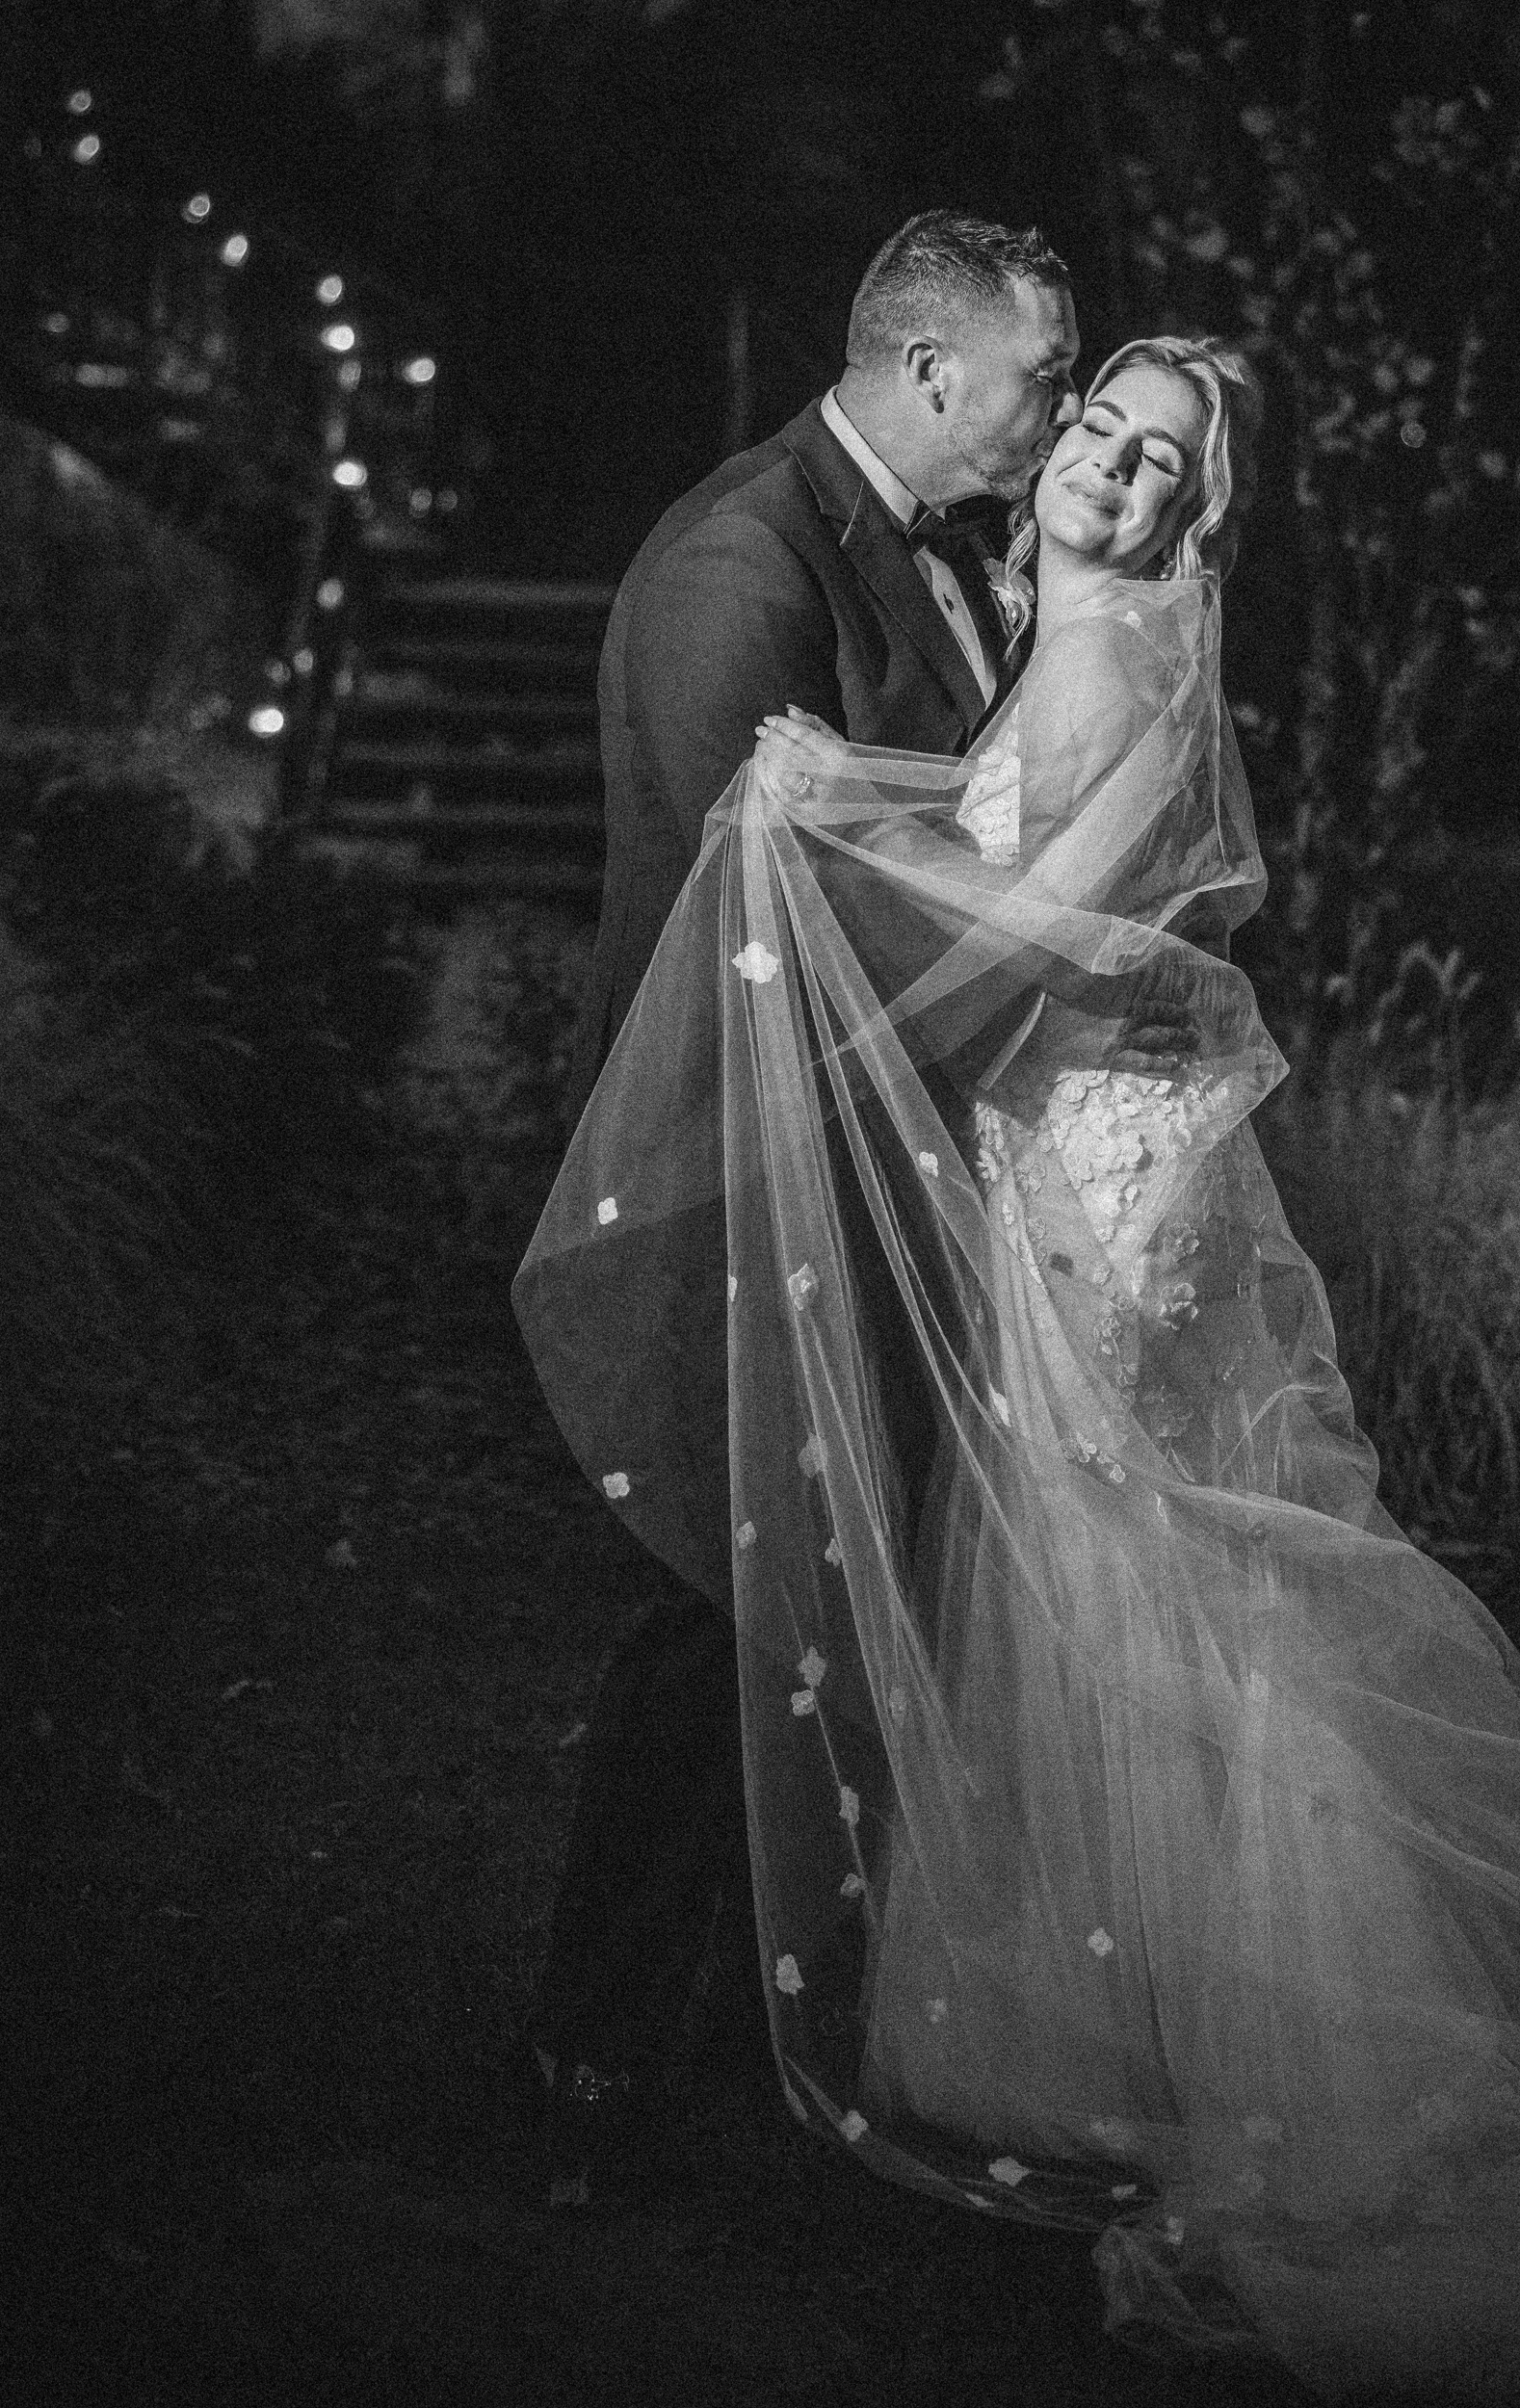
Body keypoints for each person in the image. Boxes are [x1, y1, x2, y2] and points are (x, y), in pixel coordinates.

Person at [515, 330, 1520, 2396]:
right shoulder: (1078, 612)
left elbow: (1051, 930)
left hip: (1102, 1170)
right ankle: (1160, 1995)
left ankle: (1241, 2032)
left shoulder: (1122, 645)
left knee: (1136, 1563)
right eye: (1096, 427)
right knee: (1116, 1552)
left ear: (1202, 504)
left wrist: (825, 893)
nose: (1103, 470)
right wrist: (861, 804)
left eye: (1153, 457)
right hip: (1094, 1140)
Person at [515, 210, 1086, 2208]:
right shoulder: (734, 569)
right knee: (715, 1601)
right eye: (1034, 379)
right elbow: (740, 933)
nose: (1054, 413)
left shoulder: (936, 548)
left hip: (891, 1149)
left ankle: (796, 2010)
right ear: (928, 371)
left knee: (852, 1603)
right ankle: (598, 2049)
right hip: (737, 1165)